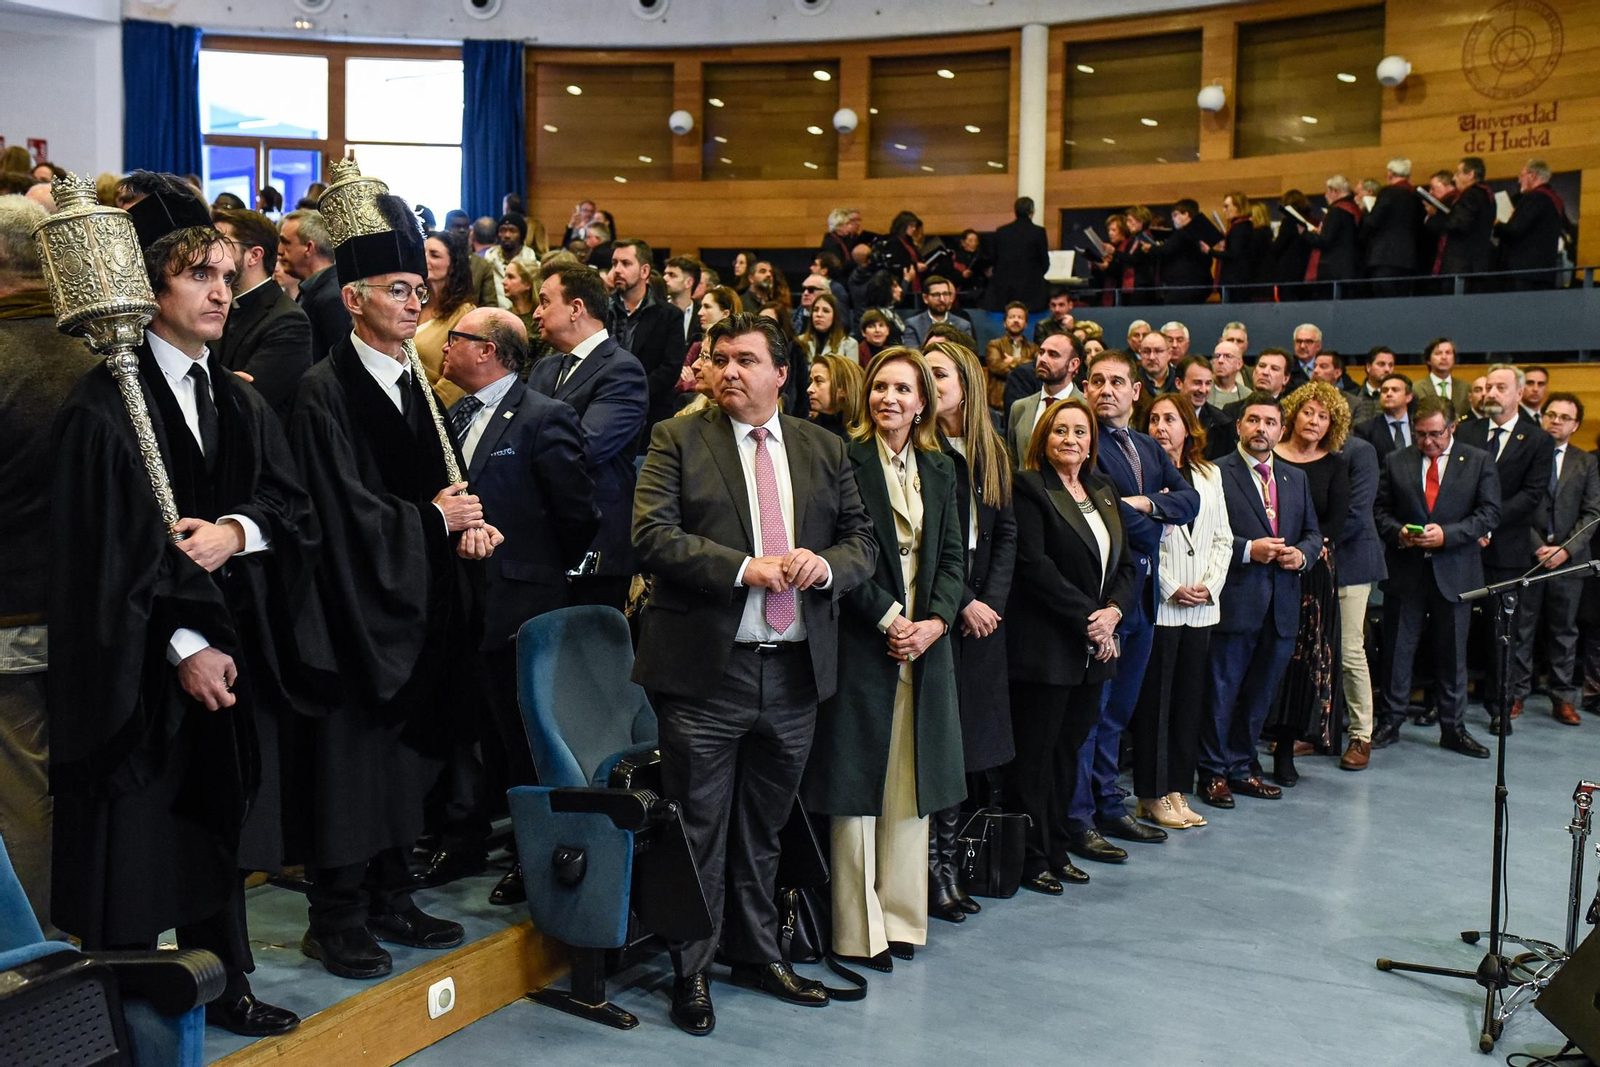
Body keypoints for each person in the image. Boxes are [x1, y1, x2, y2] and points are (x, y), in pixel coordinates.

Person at [52, 184, 316, 1035]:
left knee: (215, 828)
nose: (219, 291)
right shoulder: (100, 412)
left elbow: (290, 508)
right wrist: (185, 644)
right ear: (149, 288)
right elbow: (105, 562)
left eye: (227, 275)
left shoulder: (238, 401)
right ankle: (121, 1007)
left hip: (231, 657)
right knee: (133, 842)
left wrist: (236, 533)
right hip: (140, 669)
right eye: (197, 273)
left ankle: (223, 979)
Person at [634, 313, 876, 1033]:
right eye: (719, 359)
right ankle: (693, 969)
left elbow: (862, 540)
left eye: (745, 360)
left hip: (796, 671)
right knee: (700, 825)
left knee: (766, 827)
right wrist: (745, 568)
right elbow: (650, 536)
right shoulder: (676, 437)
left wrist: (826, 565)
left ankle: (759, 951)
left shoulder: (823, 447)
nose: (729, 371)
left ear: (781, 373)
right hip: (709, 673)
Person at [283, 168, 495, 980]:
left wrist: (471, 524)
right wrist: (433, 523)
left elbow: (441, 481)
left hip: (415, 601)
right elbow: (343, 512)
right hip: (349, 611)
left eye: (419, 289)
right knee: (351, 767)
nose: (414, 303)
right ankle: (335, 914)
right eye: (397, 289)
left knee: (407, 761)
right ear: (353, 299)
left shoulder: (417, 381)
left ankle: (391, 891)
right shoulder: (321, 392)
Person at [803, 346, 966, 971]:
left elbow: (953, 558)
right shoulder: (842, 456)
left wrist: (934, 623)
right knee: (856, 785)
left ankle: (901, 918)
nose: (889, 399)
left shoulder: (944, 466)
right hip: (863, 638)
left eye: (903, 389)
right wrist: (890, 618)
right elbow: (835, 549)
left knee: (910, 785)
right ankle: (855, 928)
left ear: (923, 400)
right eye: (880, 387)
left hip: (925, 645)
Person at [439, 307, 599, 906]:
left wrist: (535, 569)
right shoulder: (451, 413)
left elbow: (578, 514)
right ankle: (464, 839)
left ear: (487, 351)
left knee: (524, 734)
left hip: (522, 602)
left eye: (456, 339)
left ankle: (533, 855)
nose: (445, 348)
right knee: (469, 725)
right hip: (462, 597)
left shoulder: (544, 417)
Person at [0, 195, 100, 937]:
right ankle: (93, 926)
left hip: (11, 606)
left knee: (21, 782)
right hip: (96, 607)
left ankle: (32, 948)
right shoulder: (99, 351)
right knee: (83, 774)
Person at [1072, 350, 1200, 852]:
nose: (1107, 390)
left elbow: (1189, 501)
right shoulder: (1081, 442)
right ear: (1086, 387)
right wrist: (1151, 522)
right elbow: (1112, 523)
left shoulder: (1148, 446)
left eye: (1117, 382)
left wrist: (1147, 503)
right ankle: (1079, 815)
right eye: (1098, 381)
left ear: (1135, 391)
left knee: (1118, 712)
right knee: (1090, 713)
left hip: (1143, 599)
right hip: (1103, 595)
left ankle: (1108, 804)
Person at [1004, 398, 1131, 891]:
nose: (1070, 440)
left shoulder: (1103, 487)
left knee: (1067, 753)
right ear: (1043, 437)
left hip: (1092, 650)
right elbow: (1035, 567)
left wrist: (1114, 612)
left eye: (1080, 432)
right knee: (1034, 759)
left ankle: (1057, 848)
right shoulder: (1029, 486)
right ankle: (1030, 858)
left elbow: (1125, 562)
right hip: (1046, 648)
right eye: (1060, 431)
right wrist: (1090, 621)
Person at [925, 341, 1016, 919]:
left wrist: (992, 604)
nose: (929, 383)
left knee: (970, 750)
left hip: (986, 619)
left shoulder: (992, 449)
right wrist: (964, 603)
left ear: (966, 382)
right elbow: (931, 547)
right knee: (940, 746)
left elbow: (1006, 535)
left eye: (938, 374)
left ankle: (955, 863)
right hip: (944, 608)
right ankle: (934, 871)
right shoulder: (923, 447)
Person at [1197, 392, 1321, 808]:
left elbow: (1313, 534)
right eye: (1253, 420)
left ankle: (1243, 766)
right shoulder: (1216, 473)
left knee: (1259, 695)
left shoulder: (1295, 478)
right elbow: (1204, 536)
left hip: (1282, 605)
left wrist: (1302, 554)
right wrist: (1250, 549)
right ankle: (1212, 771)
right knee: (1222, 691)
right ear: (1239, 426)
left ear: (1280, 430)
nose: (1260, 429)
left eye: (1269, 422)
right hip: (1235, 601)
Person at [1370, 398, 1500, 757]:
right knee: (1397, 649)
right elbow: (1379, 511)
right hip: (1406, 570)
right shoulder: (1397, 461)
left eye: (1435, 434)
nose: (1428, 442)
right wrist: (1399, 533)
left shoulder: (1478, 461)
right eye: (1421, 434)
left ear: (1452, 428)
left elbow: (1489, 513)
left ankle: (1453, 727)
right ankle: (1391, 721)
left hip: (1456, 571)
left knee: (1452, 653)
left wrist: (1448, 535)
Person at [1131, 394, 1230, 828]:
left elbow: (1223, 538)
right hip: (1163, 603)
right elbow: (1139, 540)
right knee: (1157, 702)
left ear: (1188, 426)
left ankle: (1176, 790)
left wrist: (1209, 585)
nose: (1160, 427)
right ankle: (1150, 794)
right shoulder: (1142, 475)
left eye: (1170, 419)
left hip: (1202, 606)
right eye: (1153, 419)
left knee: (1189, 701)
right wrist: (1172, 587)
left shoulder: (1209, 475)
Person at [529, 262, 649, 610]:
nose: (536, 313)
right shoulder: (544, 367)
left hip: (594, 543)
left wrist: (520, 453)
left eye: (544, 302)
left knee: (587, 658)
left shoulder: (622, 368)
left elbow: (584, 447)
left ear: (576, 308)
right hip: (541, 538)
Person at [1457, 364, 1555, 732]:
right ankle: (1444, 702)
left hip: (1505, 550)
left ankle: (1500, 705)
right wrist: (1470, 527)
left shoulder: (1537, 440)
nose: (1491, 394)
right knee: (1455, 629)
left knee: (1501, 632)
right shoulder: (1465, 431)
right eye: (1488, 387)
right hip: (1462, 546)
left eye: (1501, 387)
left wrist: (1487, 523)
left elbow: (1531, 495)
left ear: (1518, 393)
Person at [1264, 383, 1351, 785]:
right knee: (1260, 659)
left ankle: (1285, 750)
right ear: (1292, 414)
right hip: (1263, 565)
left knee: (1301, 665)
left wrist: (1302, 550)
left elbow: (1336, 521)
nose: (1314, 421)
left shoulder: (1335, 465)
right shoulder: (1267, 457)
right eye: (1308, 412)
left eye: (1323, 415)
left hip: (1312, 573)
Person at [1518, 394, 1600, 726]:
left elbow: (1593, 512)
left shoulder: (1586, 462)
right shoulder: (1525, 457)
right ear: (1542, 418)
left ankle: (1562, 698)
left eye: (1565, 417)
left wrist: (1565, 549)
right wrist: (1540, 546)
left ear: (1575, 425)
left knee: (1564, 632)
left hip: (1571, 561)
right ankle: (1516, 695)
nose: (1556, 421)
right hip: (1530, 557)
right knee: (1522, 630)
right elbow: (1517, 507)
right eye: (1551, 414)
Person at [211, 208, 313, 416]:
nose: (213, 254)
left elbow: (247, 400)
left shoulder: (287, 320)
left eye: (223, 244)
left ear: (254, 255)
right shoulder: (222, 304)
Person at [1334, 430, 1385, 770]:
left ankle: (1361, 734)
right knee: (1310, 650)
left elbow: (1357, 511)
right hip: (1308, 560)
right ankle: (1313, 730)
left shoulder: (1359, 451)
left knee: (1350, 649)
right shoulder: (1294, 449)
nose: (1314, 419)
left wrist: (1314, 541)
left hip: (1351, 560)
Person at [607, 238, 686, 443]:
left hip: (651, 414)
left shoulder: (669, 316)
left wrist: (630, 391)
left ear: (644, 271)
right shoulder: (602, 311)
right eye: (614, 263)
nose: (617, 270)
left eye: (625, 263)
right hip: (605, 410)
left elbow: (670, 368)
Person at [414, 229, 477, 407]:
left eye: (434, 255)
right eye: (423, 253)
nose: (425, 259)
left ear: (453, 265)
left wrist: (427, 411)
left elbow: (458, 379)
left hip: (433, 410)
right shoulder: (413, 303)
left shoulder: (465, 313)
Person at [278, 208, 350, 362]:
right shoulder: (314, 289)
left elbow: (340, 361)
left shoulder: (332, 298)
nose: (280, 251)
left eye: (286, 243)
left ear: (308, 248)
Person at [1007, 333, 1082, 464]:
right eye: (1041, 352)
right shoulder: (1019, 408)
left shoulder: (1087, 408)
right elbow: (1013, 461)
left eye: (1053, 354)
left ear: (1073, 364)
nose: (1042, 359)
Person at [1497, 158, 1567, 291]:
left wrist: (1497, 225)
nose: (1519, 181)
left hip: (1523, 272)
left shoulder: (1534, 198)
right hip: (1545, 271)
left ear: (1532, 175)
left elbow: (1515, 229)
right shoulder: (1555, 200)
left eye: (1522, 176)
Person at [1425, 156, 1496, 286]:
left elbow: (1458, 225)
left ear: (1470, 174)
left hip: (1460, 266)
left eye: (1458, 173)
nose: (1454, 178)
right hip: (1476, 264)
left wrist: (1437, 216)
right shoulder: (1487, 196)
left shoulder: (1470, 195)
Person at [1361, 158, 1422, 297]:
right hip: (1408, 259)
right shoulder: (1415, 196)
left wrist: (1366, 215)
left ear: (1390, 173)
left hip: (1385, 256)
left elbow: (1373, 221)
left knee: (1384, 302)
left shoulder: (1388, 193)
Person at [984, 197, 1049, 314]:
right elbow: (1044, 262)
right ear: (1032, 212)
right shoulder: (1038, 232)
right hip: (1031, 289)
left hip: (1004, 290)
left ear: (1015, 211)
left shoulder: (1001, 232)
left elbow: (994, 259)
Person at [677, 285, 740, 401]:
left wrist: (691, 383)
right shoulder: (696, 346)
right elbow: (679, 382)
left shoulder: (739, 348)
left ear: (725, 314)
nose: (700, 312)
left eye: (707, 307)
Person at [1304, 175, 1362, 297]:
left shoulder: (1336, 211)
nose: (1325, 195)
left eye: (1327, 191)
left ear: (1335, 191)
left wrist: (1306, 234)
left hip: (1332, 271)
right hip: (1351, 269)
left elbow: (1325, 241)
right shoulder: (1354, 209)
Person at [1150, 198, 1214, 305]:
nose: (1173, 219)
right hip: (1201, 283)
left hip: (1185, 286)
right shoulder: (1202, 229)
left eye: (1175, 215)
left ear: (1186, 215)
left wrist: (1150, 248)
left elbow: (1166, 250)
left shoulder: (1184, 233)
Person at [1206, 192, 1260, 302]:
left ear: (1238, 207)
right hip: (1239, 280)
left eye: (1227, 206)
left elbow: (1234, 254)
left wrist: (1210, 251)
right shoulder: (1244, 226)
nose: (1224, 210)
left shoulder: (1239, 228)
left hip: (1235, 281)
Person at [985, 302, 1037, 412]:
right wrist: (1024, 368)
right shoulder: (994, 345)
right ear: (1005, 323)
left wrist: (1013, 361)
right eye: (1012, 317)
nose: (1016, 320)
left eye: (1020, 317)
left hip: (1026, 404)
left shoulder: (1034, 348)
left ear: (1026, 323)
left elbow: (1035, 369)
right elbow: (997, 367)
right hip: (998, 405)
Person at [483, 213, 540, 309]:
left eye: (512, 231)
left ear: (521, 235)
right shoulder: (487, 263)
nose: (507, 235)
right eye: (503, 230)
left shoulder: (535, 266)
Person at [1357, 372, 1415, 464]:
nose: (1388, 394)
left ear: (1408, 397)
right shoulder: (1366, 430)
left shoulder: (1419, 425)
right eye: (1384, 390)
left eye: (1395, 390)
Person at [903, 275, 973, 350]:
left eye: (945, 294)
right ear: (925, 298)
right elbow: (912, 355)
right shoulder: (913, 324)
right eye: (936, 295)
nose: (942, 299)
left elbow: (968, 355)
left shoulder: (963, 325)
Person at [808, 351, 864, 440]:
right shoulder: (804, 430)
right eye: (811, 381)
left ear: (844, 389)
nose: (809, 389)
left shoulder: (862, 436)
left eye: (818, 381)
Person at [801, 292, 857, 364]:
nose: (819, 314)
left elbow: (852, 374)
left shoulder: (850, 345)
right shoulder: (800, 342)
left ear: (835, 316)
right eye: (815, 310)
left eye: (825, 311)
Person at [1346, 346, 1394, 427]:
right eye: (1381, 364)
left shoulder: (1399, 397)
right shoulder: (1351, 396)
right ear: (1368, 367)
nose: (1387, 369)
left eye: (1391, 365)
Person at [1413, 337, 1464, 406]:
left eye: (1448, 353)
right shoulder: (1416, 389)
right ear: (1428, 360)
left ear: (1454, 358)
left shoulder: (1465, 388)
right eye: (1438, 353)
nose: (1444, 357)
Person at [1208, 338, 1249, 410]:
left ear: (1239, 364)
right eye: (1217, 356)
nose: (1220, 361)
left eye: (1227, 356)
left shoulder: (1247, 396)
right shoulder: (1202, 391)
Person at [1136, 328, 1178, 396]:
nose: (1152, 357)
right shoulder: (1131, 380)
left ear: (1169, 354)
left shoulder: (1180, 380)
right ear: (1140, 354)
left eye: (1158, 351)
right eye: (1146, 351)